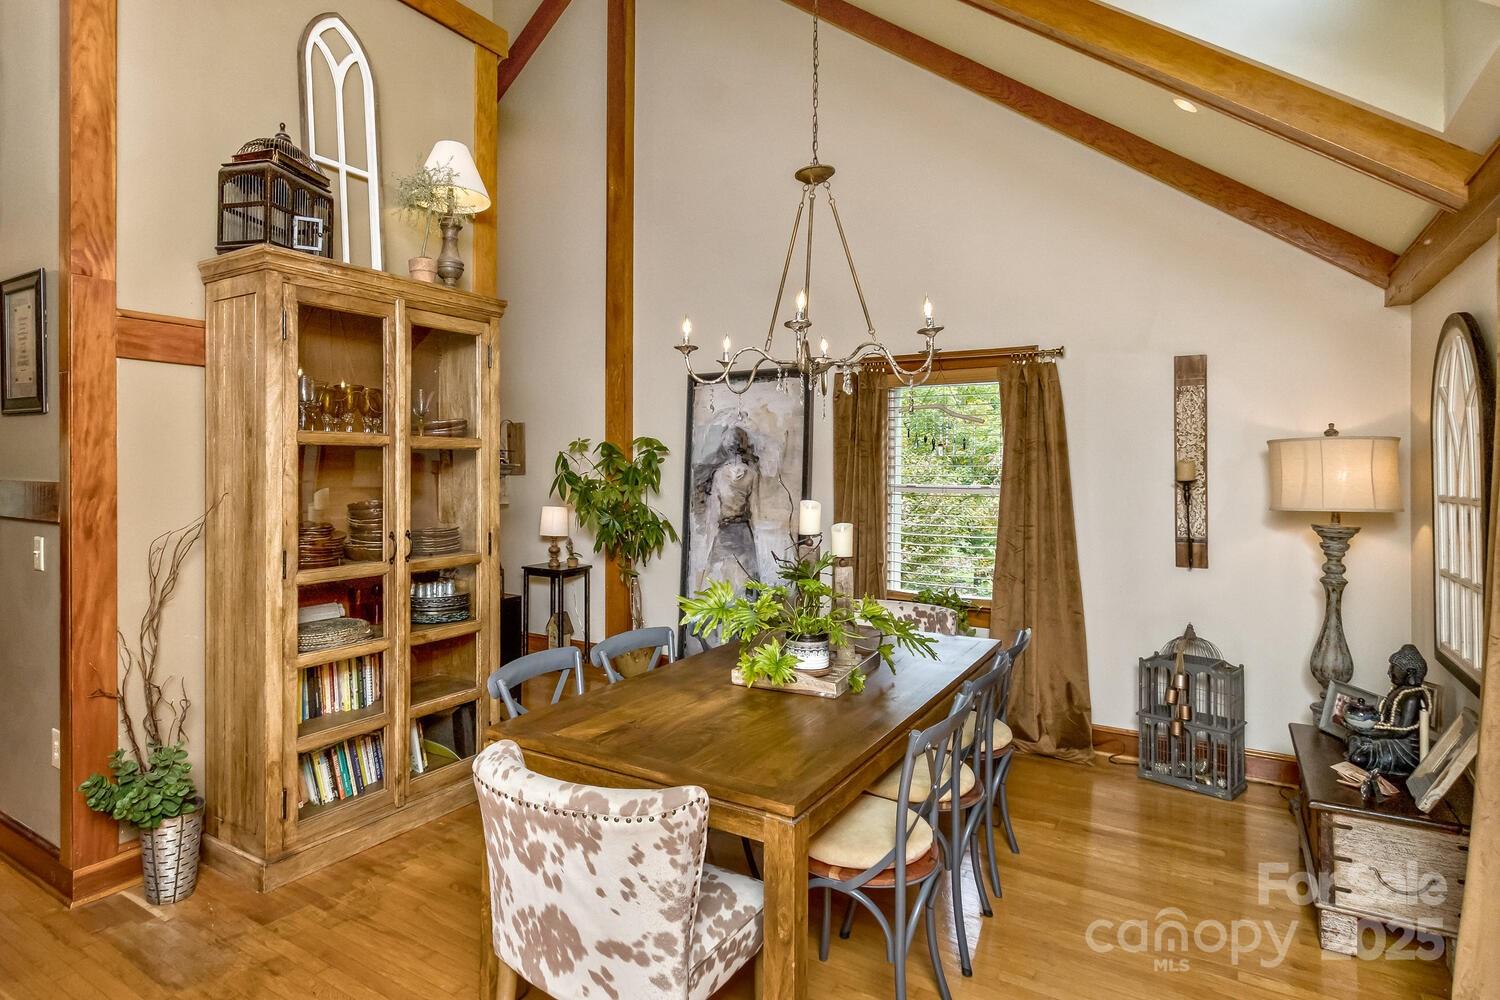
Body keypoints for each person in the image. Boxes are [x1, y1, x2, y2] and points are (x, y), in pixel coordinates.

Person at [1345, 644, 1429, 779]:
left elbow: (1402, 732)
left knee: (1358, 758)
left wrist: (1368, 732)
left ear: (1410, 672)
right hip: (1389, 737)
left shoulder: (1412, 697)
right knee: (1352, 737)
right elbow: (1386, 720)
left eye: (1393, 668)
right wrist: (1365, 729)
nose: (1389, 672)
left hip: (1402, 747)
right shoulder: (1398, 691)